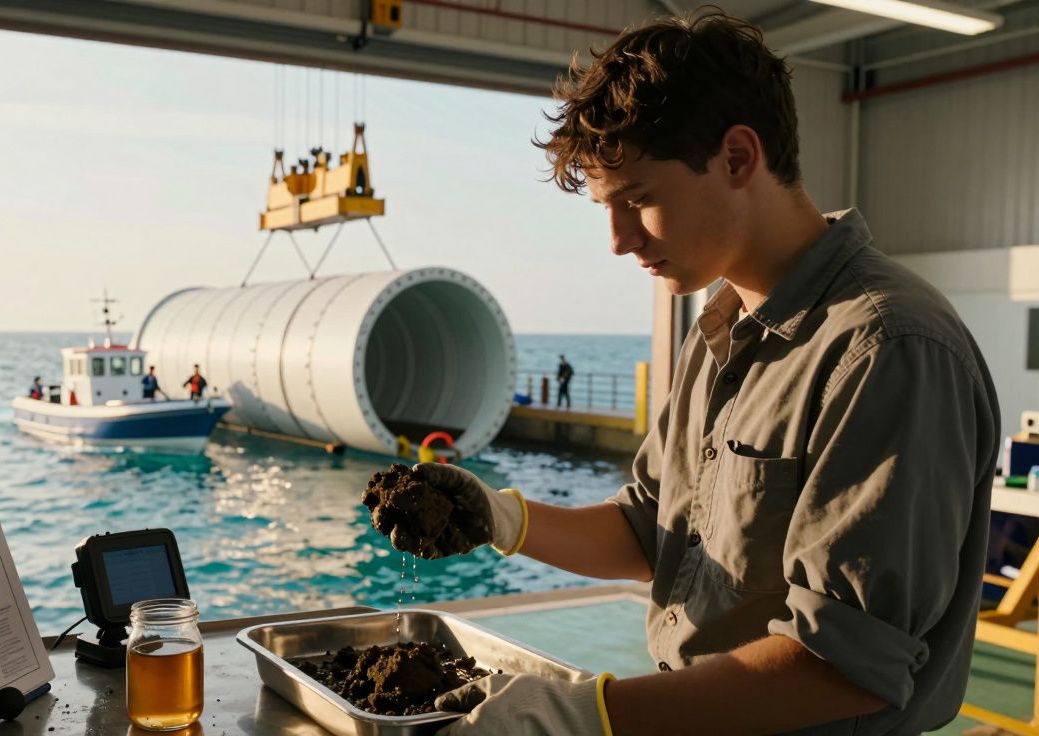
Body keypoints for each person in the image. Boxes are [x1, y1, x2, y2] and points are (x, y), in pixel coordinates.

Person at [409, 10, 1000, 736]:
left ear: (738, 158)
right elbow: (652, 533)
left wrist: (588, 718)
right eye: (607, 209)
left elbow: (843, 665)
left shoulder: (887, 350)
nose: (619, 242)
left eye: (638, 200)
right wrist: (505, 519)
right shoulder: (719, 331)